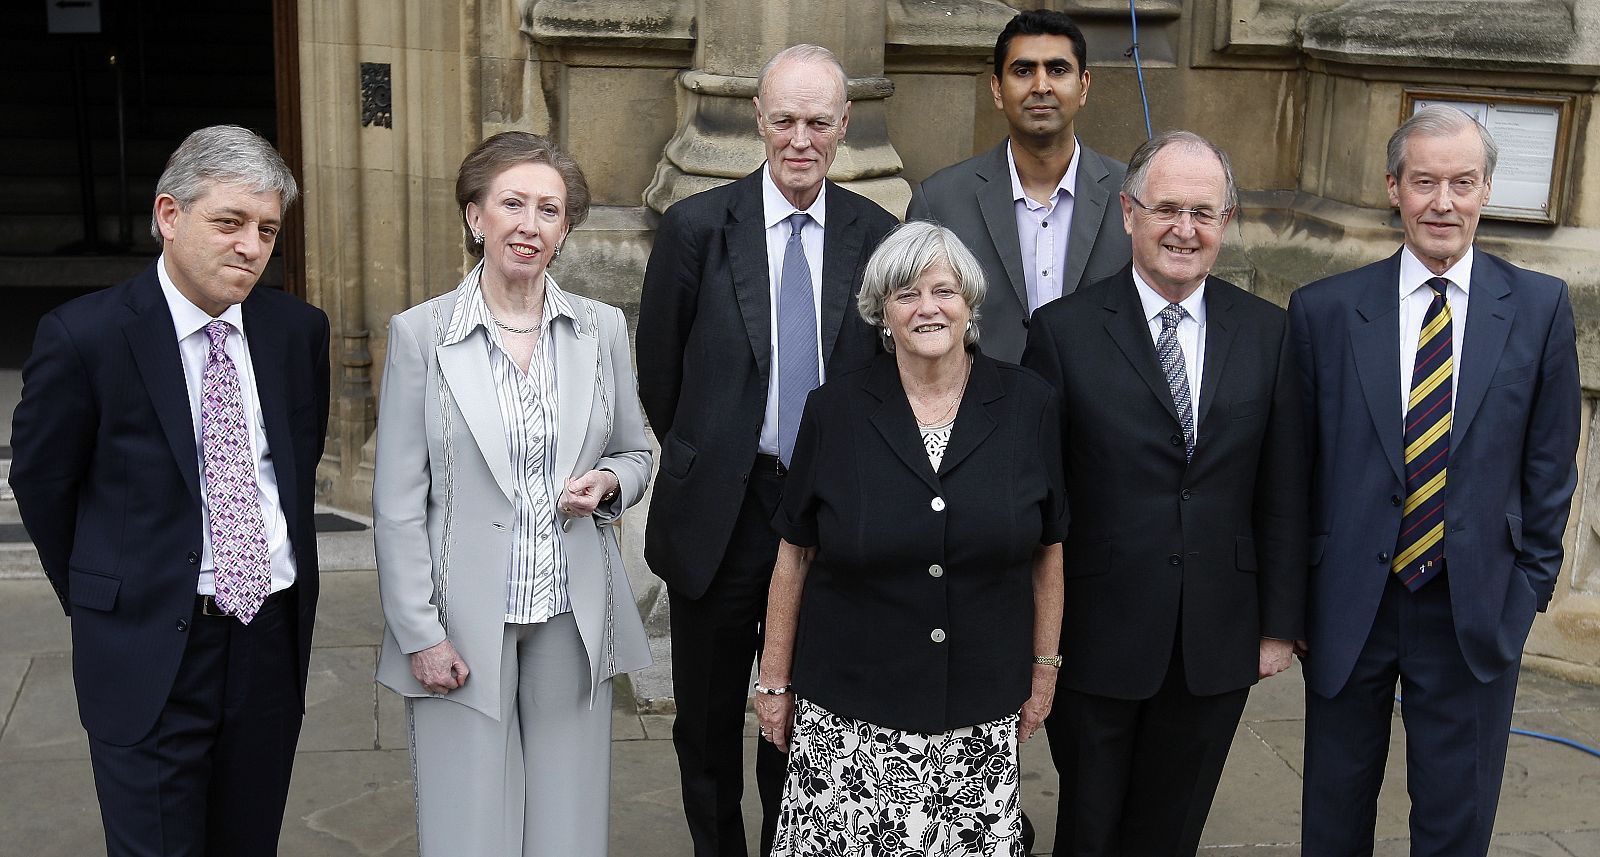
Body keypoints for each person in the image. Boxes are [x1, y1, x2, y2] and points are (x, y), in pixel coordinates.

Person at [9, 125, 330, 856]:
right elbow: (42, 483)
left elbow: (293, 464)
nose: (251, 245)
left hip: (268, 639)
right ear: (169, 215)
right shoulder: (85, 336)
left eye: (267, 229)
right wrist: (108, 590)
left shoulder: (295, 331)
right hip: (147, 644)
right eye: (230, 222)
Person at [1290, 105, 1580, 857]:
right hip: (1350, 601)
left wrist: (1528, 592)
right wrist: (1290, 603)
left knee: (1456, 822)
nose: (1442, 203)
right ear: (1394, 188)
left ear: (1486, 190)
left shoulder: (1540, 308)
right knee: (1333, 812)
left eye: (1461, 182)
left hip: (1474, 605)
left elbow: (1550, 464)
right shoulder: (1323, 311)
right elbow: (1294, 472)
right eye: (1424, 182)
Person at [636, 43, 897, 857]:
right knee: (708, 721)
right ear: (758, 118)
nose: (800, 139)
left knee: (805, 719)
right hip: (721, 507)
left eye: (819, 122)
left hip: (828, 514)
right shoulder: (695, 229)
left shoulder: (881, 234)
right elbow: (660, 374)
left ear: (845, 125)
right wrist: (717, 453)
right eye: (783, 119)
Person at [1021, 131, 1308, 856]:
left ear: (1227, 220)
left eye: (1204, 212)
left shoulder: (1270, 333)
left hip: (1217, 634)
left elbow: (1283, 487)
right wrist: (1035, 636)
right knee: (1089, 825)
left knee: (1172, 830)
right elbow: (1040, 500)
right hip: (1097, 632)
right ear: (1127, 212)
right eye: (1167, 208)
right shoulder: (1064, 332)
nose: (1185, 229)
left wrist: (1278, 623)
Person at [371, 132, 653, 857]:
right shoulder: (421, 333)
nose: (530, 224)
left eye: (550, 210)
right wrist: (419, 631)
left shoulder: (601, 328)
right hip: (460, 621)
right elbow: (400, 500)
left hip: (569, 608)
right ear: (476, 218)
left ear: (564, 230)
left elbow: (637, 447)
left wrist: (612, 480)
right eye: (513, 203)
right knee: (468, 825)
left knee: (569, 823)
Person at [751, 221, 1064, 857]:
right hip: (848, 714)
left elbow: (1048, 547)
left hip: (978, 710)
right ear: (881, 313)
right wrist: (774, 682)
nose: (927, 307)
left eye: (944, 290)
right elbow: (795, 553)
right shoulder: (834, 409)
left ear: (970, 303)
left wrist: (1044, 667)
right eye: (905, 293)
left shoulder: (1028, 403)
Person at [907, 8, 1131, 363]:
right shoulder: (939, 201)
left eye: (1057, 70)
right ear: (997, 89)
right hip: (980, 409)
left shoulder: (1133, 196)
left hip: (1097, 414)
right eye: (1023, 71)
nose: (1041, 86)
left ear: (1083, 86)